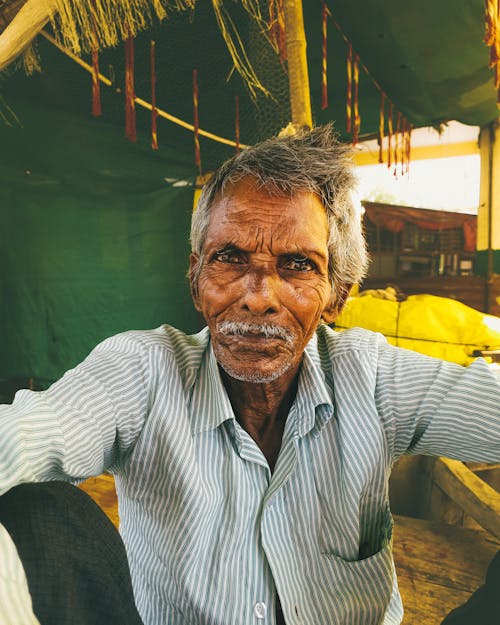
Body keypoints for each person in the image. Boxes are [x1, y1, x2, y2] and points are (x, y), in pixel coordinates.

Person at [0, 124, 499, 625]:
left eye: (298, 264)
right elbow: (24, 435)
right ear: (196, 282)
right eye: (230, 258)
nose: (258, 296)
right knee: (44, 515)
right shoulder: (144, 371)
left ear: (336, 296)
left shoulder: (371, 376)